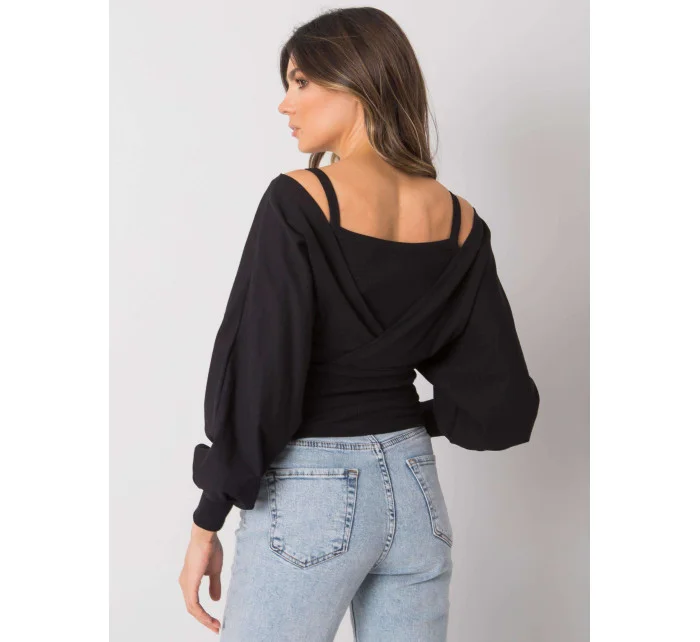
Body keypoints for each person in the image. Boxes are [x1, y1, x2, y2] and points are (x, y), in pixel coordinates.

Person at [178, 7, 540, 641]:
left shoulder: (299, 200)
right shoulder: (459, 221)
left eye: (301, 82)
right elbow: (502, 399)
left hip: (312, 493)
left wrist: (207, 521)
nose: (285, 104)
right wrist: (414, 421)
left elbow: (261, 377)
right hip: (415, 485)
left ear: (355, 81)